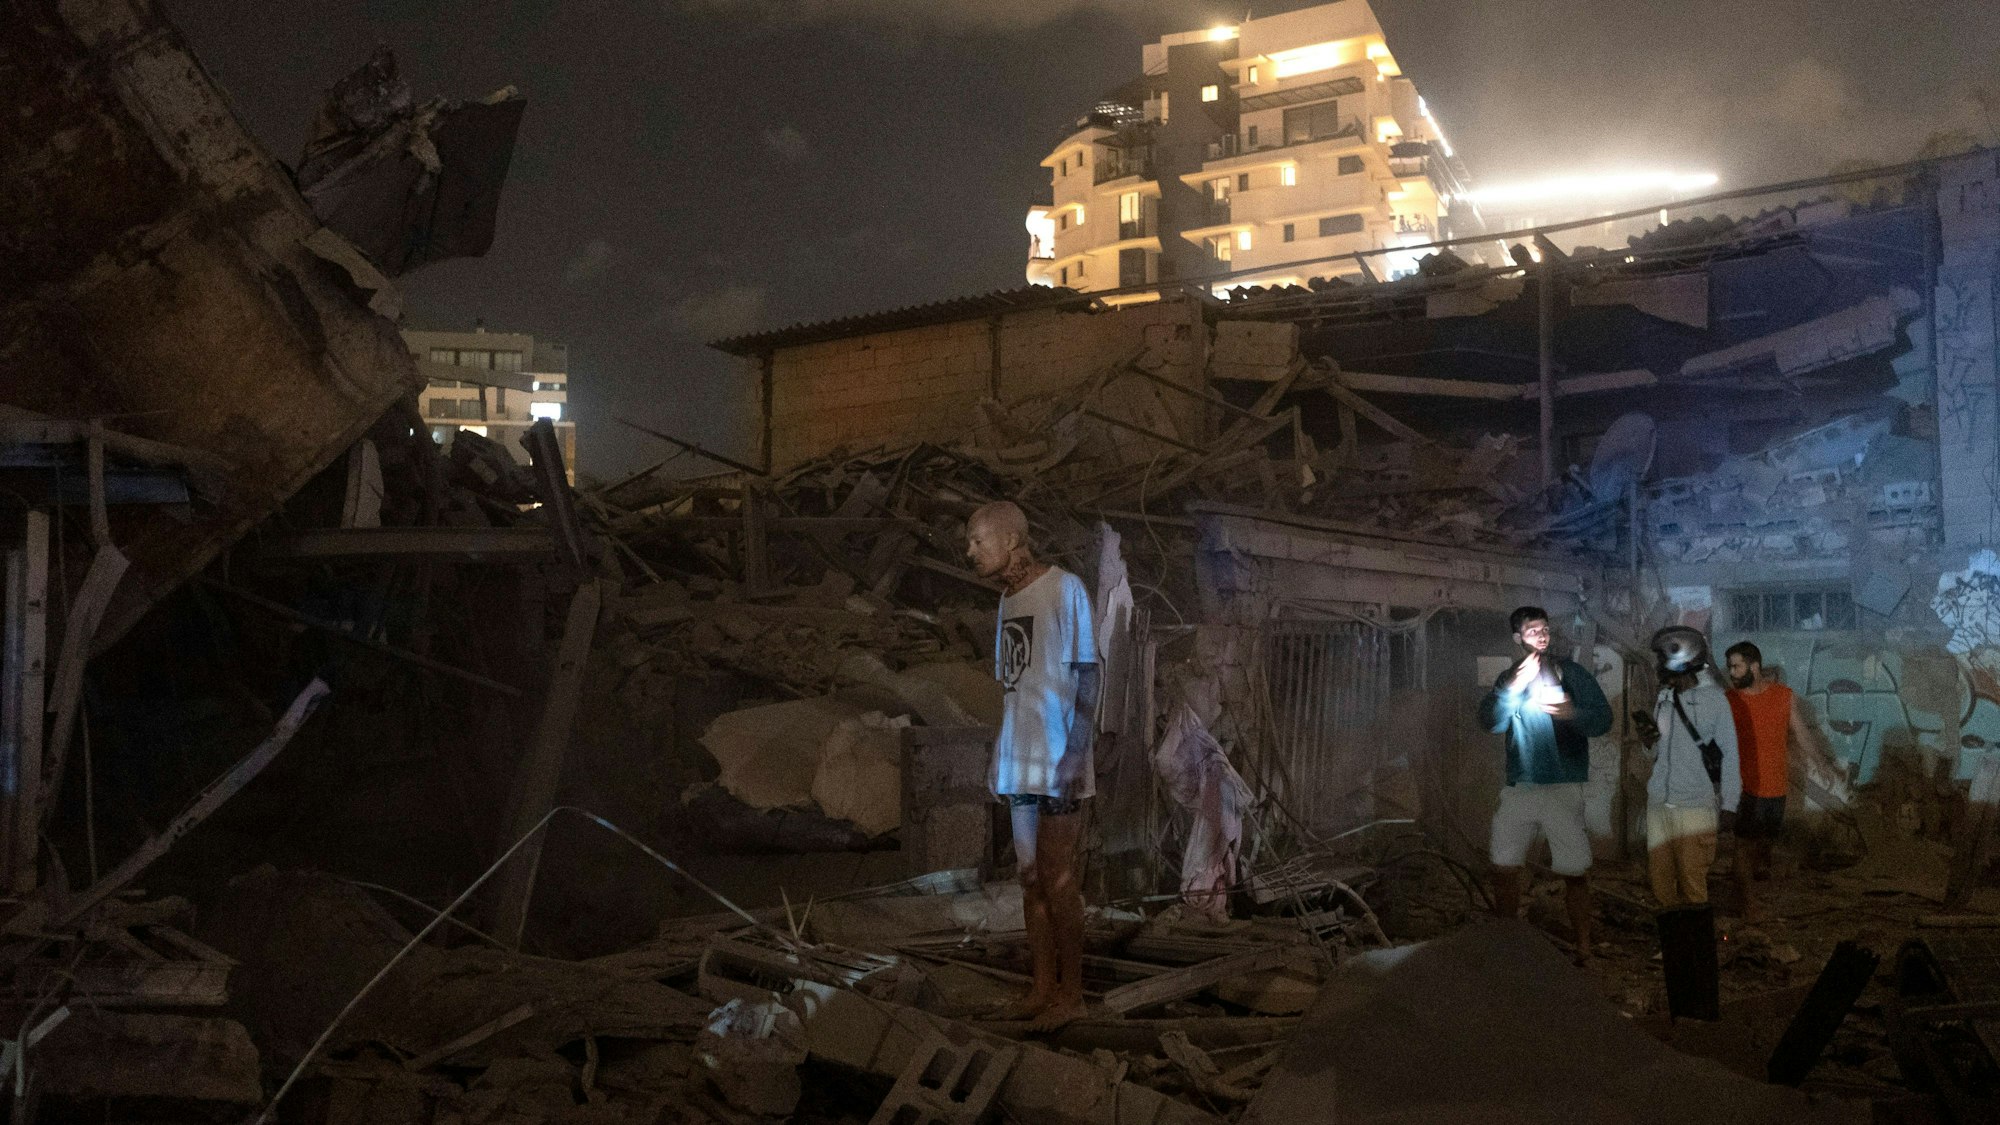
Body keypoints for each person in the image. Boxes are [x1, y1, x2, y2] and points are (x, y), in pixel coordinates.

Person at [965, 500, 1099, 1030]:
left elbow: (1089, 674)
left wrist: (1076, 752)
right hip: (1020, 762)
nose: (970, 551)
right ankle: (1042, 988)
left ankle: (1074, 993)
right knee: (1028, 877)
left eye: (978, 540)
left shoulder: (1064, 589)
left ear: (1012, 540)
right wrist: (999, 752)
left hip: (1058, 758)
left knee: (1059, 877)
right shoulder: (1007, 602)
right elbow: (1012, 687)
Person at [1478, 606, 1613, 962]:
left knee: (1574, 869)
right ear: (1516, 638)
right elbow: (1491, 723)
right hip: (1522, 785)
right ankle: (1508, 941)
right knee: (1505, 865)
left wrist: (1573, 714)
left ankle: (1583, 947)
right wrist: (1511, 690)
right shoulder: (1510, 678)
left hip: (1563, 786)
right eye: (1532, 629)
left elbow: (1602, 719)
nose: (1541, 634)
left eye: (1545, 628)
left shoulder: (1571, 673)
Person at [1642, 627, 1741, 909]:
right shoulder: (1663, 698)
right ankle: (1673, 949)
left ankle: (1696, 950)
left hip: (1695, 806)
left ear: (1682, 656)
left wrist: (1731, 805)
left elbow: (1732, 755)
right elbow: (1658, 752)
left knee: (1693, 884)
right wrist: (1648, 743)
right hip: (1659, 804)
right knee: (1661, 883)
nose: (1658, 665)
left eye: (1662, 658)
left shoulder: (1714, 700)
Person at [1724, 641, 1822, 920]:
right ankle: (1748, 906)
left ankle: (1741, 893)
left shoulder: (1782, 696)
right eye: (1730, 666)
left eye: (1736, 666)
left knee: (1760, 845)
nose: (1731, 672)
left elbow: (1801, 733)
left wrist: (1821, 764)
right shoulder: (1730, 701)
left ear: (1754, 666)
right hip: (1745, 789)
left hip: (1776, 789)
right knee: (1743, 847)